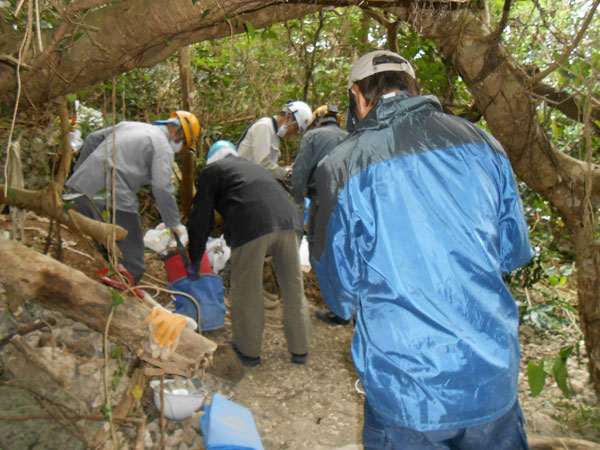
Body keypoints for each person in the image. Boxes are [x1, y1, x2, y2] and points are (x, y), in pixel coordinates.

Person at [311, 50, 534, 449]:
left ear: (357, 96)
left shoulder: (341, 165)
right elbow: (511, 251)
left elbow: (339, 293)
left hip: (409, 391)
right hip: (493, 377)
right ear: (415, 89)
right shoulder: (485, 143)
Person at [187, 140, 311, 366]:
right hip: (291, 222)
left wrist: (194, 259)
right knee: (293, 287)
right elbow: (257, 199)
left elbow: (200, 218)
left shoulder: (212, 171)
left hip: (253, 224)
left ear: (211, 160)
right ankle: (300, 350)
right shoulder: (253, 168)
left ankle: (248, 351)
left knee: (246, 290)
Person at [66, 110, 200, 283]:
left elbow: (92, 138)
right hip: (113, 195)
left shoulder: (129, 125)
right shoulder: (163, 146)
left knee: (101, 241)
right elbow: (162, 187)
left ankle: (101, 276)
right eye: (183, 143)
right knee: (133, 264)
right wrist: (173, 223)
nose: (179, 148)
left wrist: (80, 173)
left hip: (79, 187)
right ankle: (116, 296)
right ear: (178, 133)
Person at [290, 104, 350, 326]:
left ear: (316, 120)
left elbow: (300, 169)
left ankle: (337, 308)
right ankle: (347, 304)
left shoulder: (313, 136)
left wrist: (296, 199)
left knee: (319, 249)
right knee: (343, 250)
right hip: (348, 201)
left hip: (322, 199)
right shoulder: (350, 137)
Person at [237, 100, 312, 180]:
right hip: (242, 180)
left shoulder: (274, 134)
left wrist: (285, 169)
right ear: (289, 118)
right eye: (296, 129)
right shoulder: (264, 127)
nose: (294, 133)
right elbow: (262, 163)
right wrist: (285, 174)